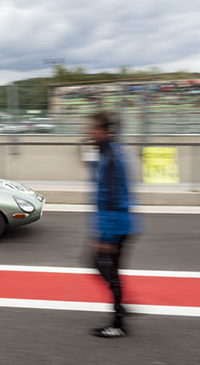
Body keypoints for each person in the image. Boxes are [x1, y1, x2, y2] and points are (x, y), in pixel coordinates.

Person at [88, 111, 139, 338]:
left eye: (95, 129)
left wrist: (105, 237)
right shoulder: (112, 153)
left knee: (104, 265)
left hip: (116, 225)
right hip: (119, 223)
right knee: (107, 267)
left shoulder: (111, 158)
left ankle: (118, 322)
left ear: (107, 132)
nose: (90, 132)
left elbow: (113, 199)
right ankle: (121, 308)